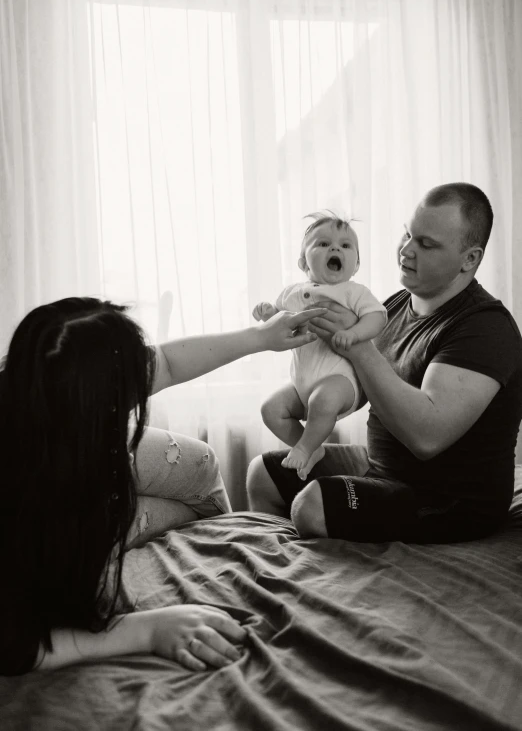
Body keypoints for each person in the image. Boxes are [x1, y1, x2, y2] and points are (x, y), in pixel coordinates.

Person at [0, 296, 326, 676]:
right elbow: (14, 643)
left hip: (69, 463)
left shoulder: (51, 380)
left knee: (200, 465)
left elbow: (167, 364)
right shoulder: (25, 503)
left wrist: (261, 336)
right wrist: (146, 630)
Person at [247, 182, 522, 546]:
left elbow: (428, 435)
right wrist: (311, 394)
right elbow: (358, 387)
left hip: (447, 501)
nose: (406, 251)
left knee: (312, 506)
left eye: (426, 244)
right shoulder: (395, 305)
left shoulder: (485, 328)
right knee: (261, 474)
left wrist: (357, 346)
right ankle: (279, 563)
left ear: (469, 258)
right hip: (382, 471)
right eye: (407, 234)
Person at [252, 213, 387, 479]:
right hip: (301, 383)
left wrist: (355, 333)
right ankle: (311, 447)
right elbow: (280, 323)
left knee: (322, 400)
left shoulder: (354, 292)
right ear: (303, 262)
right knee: (271, 409)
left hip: (341, 383)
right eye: (323, 244)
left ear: (356, 264)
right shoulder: (291, 294)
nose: (335, 248)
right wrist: (269, 314)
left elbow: (378, 317)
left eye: (346, 246)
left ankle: (305, 447)